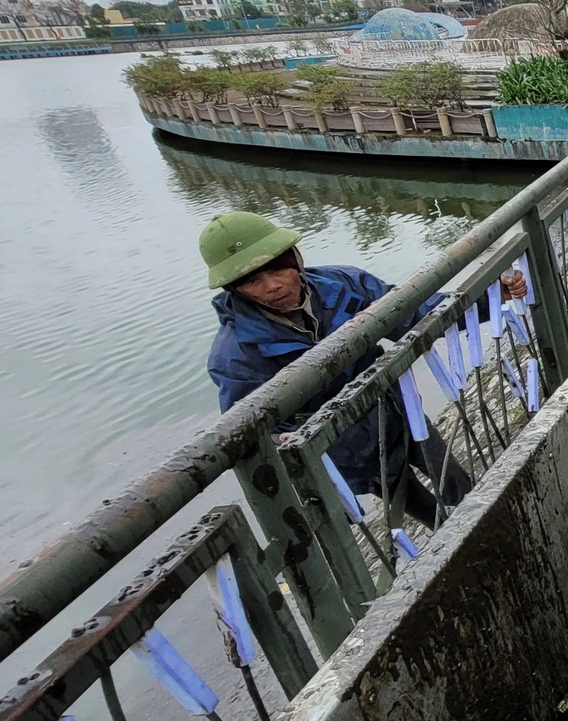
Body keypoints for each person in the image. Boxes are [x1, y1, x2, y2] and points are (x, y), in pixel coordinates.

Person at [201, 210, 469, 530]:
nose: (273, 286)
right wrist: (279, 440)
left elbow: (412, 313)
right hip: (351, 450)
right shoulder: (234, 356)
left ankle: (481, 520)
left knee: (457, 482)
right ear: (235, 289)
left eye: (278, 269)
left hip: (401, 414)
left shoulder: (344, 284)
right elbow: (246, 426)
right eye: (253, 281)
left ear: (296, 258)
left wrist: (487, 298)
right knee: (420, 507)